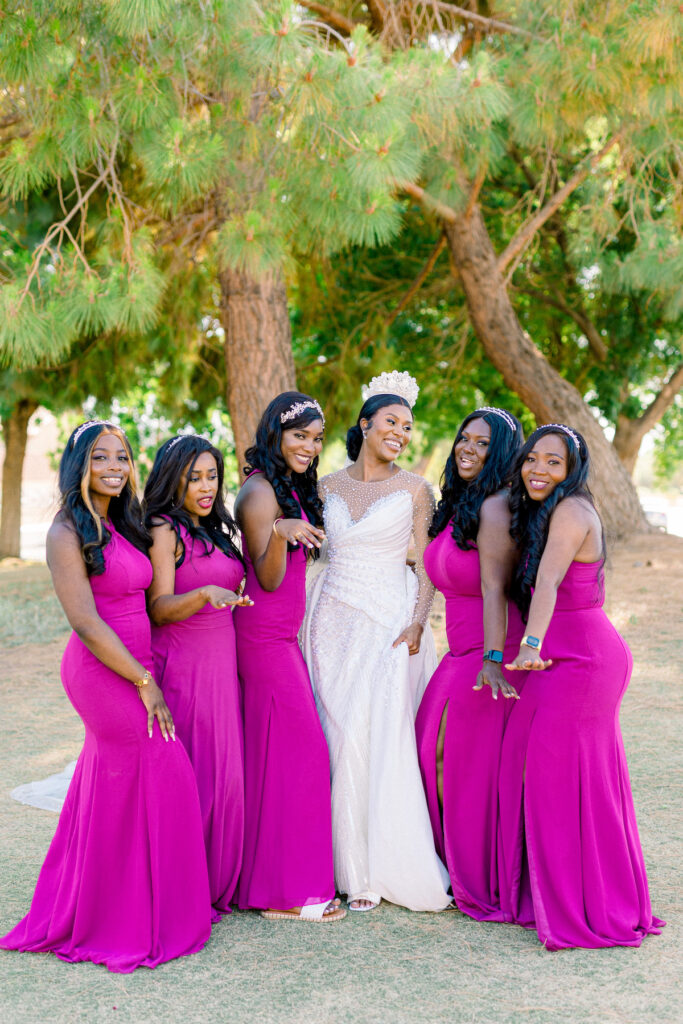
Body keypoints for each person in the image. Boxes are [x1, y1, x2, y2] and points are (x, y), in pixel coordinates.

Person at [1, 421, 211, 972]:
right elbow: (87, 622)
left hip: (137, 663)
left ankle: (113, 903)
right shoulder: (65, 531)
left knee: (116, 787)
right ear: (80, 465)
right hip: (101, 669)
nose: (115, 466)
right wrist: (146, 685)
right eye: (101, 457)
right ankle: (117, 918)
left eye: (122, 456)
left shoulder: (124, 522)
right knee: (163, 770)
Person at [499, 423, 665, 949]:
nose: (539, 469)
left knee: (574, 779)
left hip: (583, 660)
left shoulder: (572, 510)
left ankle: (592, 904)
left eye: (553, 462)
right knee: (560, 776)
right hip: (566, 652)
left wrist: (530, 644)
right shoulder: (548, 510)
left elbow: (548, 581)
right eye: (532, 459)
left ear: (572, 471)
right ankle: (571, 892)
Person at [302, 371, 451, 912]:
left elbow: (428, 562)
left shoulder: (415, 489)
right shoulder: (326, 487)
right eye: (391, 422)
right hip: (330, 620)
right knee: (336, 731)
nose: (401, 433)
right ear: (365, 424)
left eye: (408, 427)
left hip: (391, 620)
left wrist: (419, 620)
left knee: (378, 731)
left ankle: (379, 866)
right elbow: (311, 551)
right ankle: (342, 862)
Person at [233, 393, 344, 923]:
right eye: (300, 435)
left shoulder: (288, 488)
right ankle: (288, 891)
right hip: (261, 640)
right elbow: (270, 578)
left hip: (283, 639)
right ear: (276, 435)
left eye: (317, 438)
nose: (309, 446)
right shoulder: (258, 493)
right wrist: (280, 530)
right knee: (303, 755)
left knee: (278, 761)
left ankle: (270, 883)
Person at [415, 407, 524, 920]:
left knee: (458, 765)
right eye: (464, 438)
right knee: (429, 750)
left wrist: (494, 658)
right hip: (459, 651)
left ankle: (477, 876)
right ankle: (447, 865)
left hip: (488, 652)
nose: (468, 449)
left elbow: (494, 589)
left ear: (500, 453)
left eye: (482, 444)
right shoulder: (462, 504)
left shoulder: (497, 507)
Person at [144, 435, 252, 919]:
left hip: (222, 668)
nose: (205, 486)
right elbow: (159, 608)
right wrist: (205, 594)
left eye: (212, 476)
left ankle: (213, 881)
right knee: (197, 779)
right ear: (174, 479)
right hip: (184, 667)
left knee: (225, 779)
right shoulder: (163, 528)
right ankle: (183, 887)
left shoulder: (215, 529)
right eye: (194, 477)